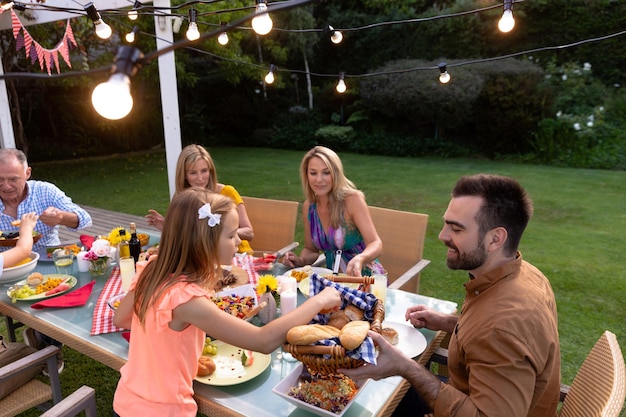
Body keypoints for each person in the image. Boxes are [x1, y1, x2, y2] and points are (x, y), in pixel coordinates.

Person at [341, 174, 561, 417]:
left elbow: (497, 334)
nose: (442, 236)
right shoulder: (527, 275)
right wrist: (448, 323)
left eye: (456, 228)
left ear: (495, 239)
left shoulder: (501, 327)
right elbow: (491, 337)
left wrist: (408, 368)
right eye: (447, 224)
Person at [113, 188, 340, 416]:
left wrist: (167, 344)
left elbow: (121, 318)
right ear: (204, 242)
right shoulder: (187, 300)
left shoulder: (152, 269)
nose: (239, 241)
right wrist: (318, 301)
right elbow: (262, 340)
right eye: (231, 236)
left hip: (126, 401)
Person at [282, 146, 384, 277]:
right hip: (334, 282)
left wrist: (361, 258)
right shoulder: (309, 207)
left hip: (365, 279)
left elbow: (376, 243)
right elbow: (311, 249)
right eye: (313, 173)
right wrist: (300, 261)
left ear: (335, 173)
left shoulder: (352, 200)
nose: (319, 179)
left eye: (326, 172)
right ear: (306, 175)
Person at [146, 144, 254, 253]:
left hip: (237, 254)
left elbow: (249, 233)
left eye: (204, 171)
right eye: (193, 173)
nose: (200, 178)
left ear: (210, 171)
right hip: (201, 258)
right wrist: (166, 227)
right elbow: (182, 237)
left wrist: (223, 233)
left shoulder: (227, 192)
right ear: (184, 175)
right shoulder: (181, 197)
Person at [0, 148, 92, 251]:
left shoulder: (44, 191)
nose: (6, 186)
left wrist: (61, 217)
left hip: (48, 260)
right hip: (6, 265)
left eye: (13, 179)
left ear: (27, 173)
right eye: (0, 179)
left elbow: (85, 219)